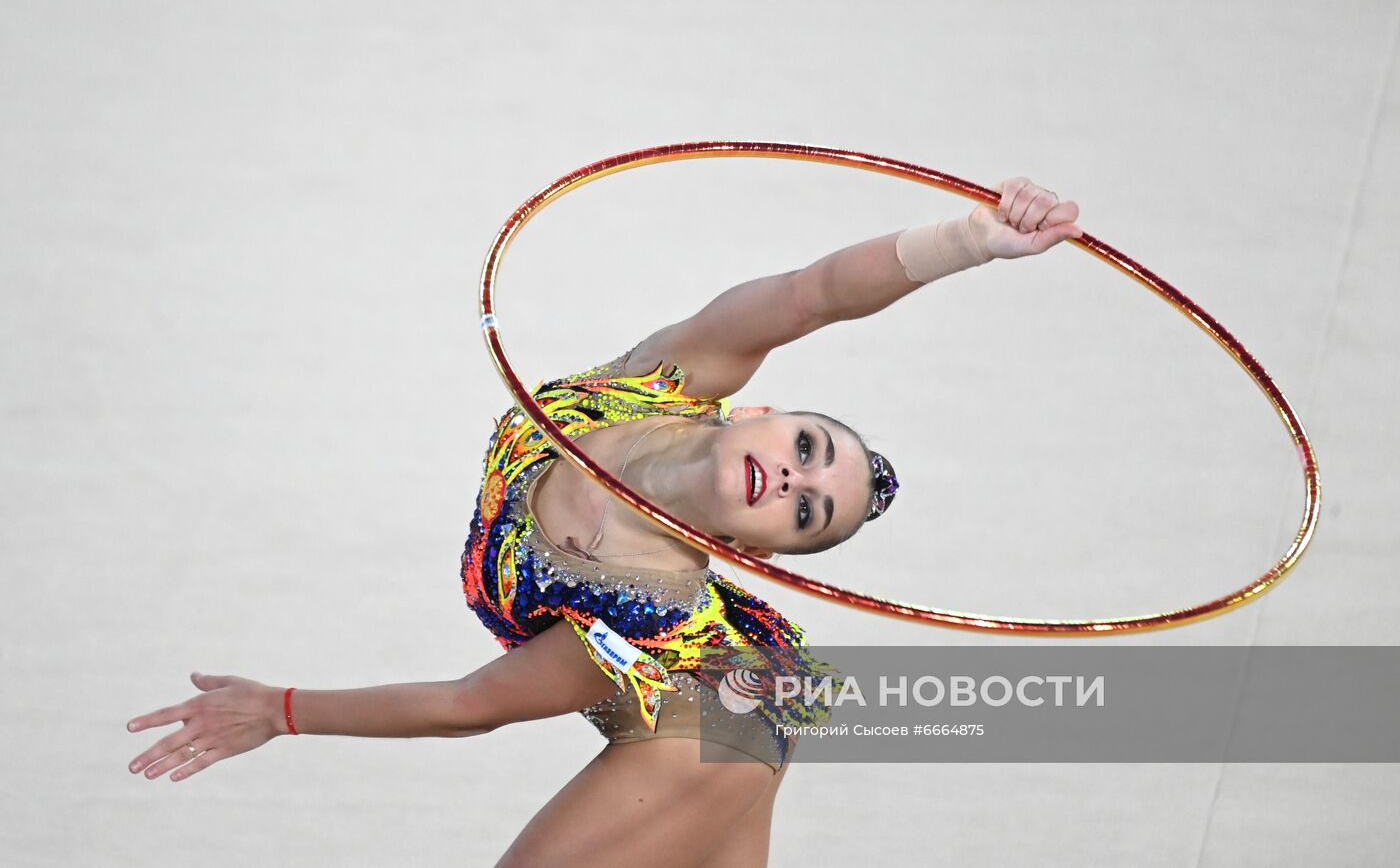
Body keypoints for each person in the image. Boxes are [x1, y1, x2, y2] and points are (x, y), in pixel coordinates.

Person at [126, 177, 1082, 867]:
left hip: (703, 732)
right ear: (755, 410)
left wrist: (281, 710)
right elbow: (813, 294)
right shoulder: (658, 380)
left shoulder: (640, 604)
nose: (789, 478)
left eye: (805, 509)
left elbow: (471, 704)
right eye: (804, 448)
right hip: (728, 725)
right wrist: (970, 239)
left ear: (749, 550)